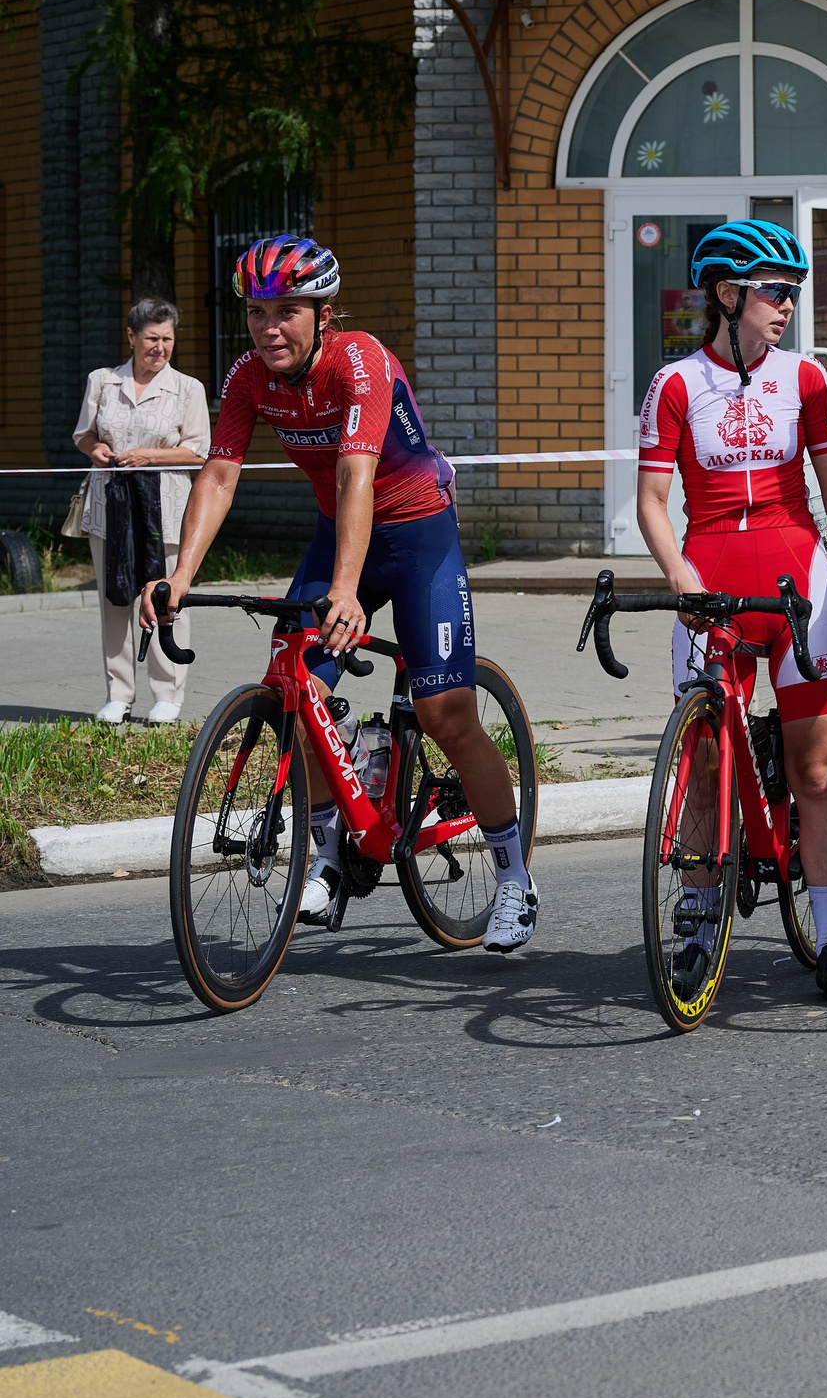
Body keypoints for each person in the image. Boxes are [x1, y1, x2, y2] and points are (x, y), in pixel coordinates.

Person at [144, 238, 540, 950]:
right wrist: (180, 576)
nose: (270, 328)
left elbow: (358, 473)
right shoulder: (248, 378)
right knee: (293, 685)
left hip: (418, 532)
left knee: (445, 713)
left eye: (287, 311)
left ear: (322, 314)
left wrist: (349, 593)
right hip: (339, 533)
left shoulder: (360, 359)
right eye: (258, 312)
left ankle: (514, 877)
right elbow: (219, 475)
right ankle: (327, 854)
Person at [636, 218, 827, 1002]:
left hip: (793, 574)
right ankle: (697, 923)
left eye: (794, 294)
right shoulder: (675, 384)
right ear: (728, 294)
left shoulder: (805, 378)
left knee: (812, 768)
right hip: (711, 581)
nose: (788, 308)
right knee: (702, 771)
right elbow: (652, 501)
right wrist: (679, 578)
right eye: (775, 292)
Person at [72, 299, 209, 724]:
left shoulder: (187, 388)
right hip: (110, 506)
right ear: (131, 336)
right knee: (114, 599)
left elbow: (199, 451)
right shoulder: (102, 381)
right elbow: (84, 434)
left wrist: (148, 455)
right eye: (152, 338)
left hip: (165, 508)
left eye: (167, 339)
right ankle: (119, 692)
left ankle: (167, 694)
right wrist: (93, 448)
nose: (160, 347)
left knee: (166, 596)